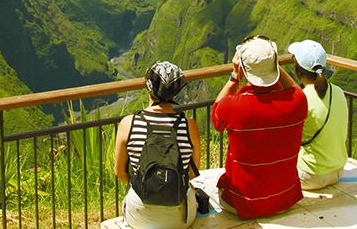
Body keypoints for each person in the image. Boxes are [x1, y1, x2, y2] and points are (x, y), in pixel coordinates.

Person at [212, 35, 306, 219]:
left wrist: (233, 77)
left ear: (243, 68)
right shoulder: (297, 102)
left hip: (242, 203)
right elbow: (296, 89)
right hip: (285, 199)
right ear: (275, 65)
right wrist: (272, 65)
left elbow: (216, 118)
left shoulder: (232, 106)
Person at [114, 61, 202, 229]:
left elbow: (119, 172)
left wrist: (148, 185)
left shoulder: (128, 123)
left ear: (148, 88)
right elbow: (193, 171)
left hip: (140, 213)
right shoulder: (189, 126)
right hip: (179, 217)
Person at [288, 39, 349, 190]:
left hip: (309, 176)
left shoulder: (302, 99)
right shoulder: (338, 92)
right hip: (338, 171)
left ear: (298, 69)